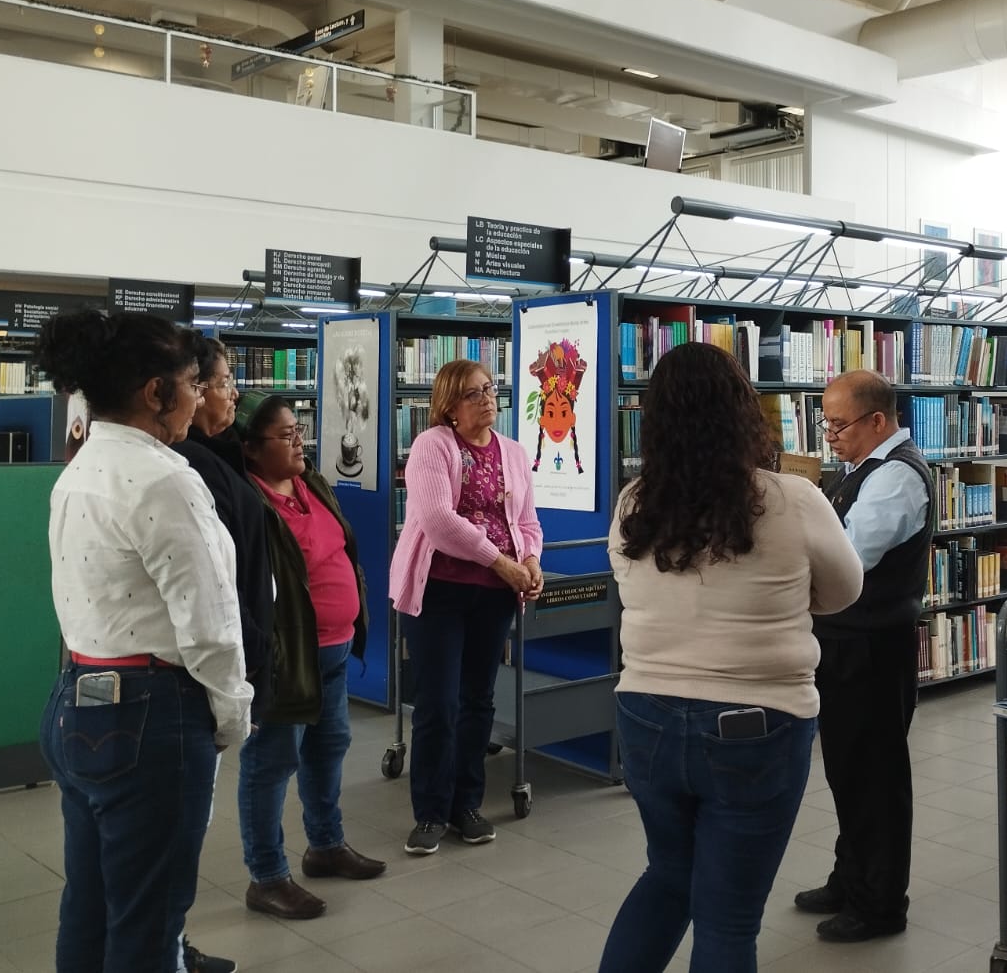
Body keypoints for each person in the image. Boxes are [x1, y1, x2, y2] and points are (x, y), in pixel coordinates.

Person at [599, 342, 864, 973]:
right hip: (757, 723)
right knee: (728, 919)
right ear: (744, 411)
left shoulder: (634, 503)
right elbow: (845, 591)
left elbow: (632, 588)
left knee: (667, 875)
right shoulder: (793, 500)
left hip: (646, 716)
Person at [37, 310, 252, 973]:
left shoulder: (78, 469)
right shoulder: (166, 480)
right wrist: (232, 713)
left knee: (91, 905)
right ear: (155, 392)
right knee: (149, 921)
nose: (199, 396)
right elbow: (209, 622)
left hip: (78, 698)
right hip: (152, 714)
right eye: (193, 383)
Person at [795, 368, 934, 943]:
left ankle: (879, 905)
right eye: (825, 423)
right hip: (847, 642)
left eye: (838, 425)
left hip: (872, 647)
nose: (830, 435)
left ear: (878, 421)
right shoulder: (861, 468)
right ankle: (850, 878)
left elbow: (847, 559)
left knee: (874, 774)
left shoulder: (897, 478)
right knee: (848, 768)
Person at [237, 391, 384, 920]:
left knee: (329, 746)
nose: (301, 441)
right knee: (273, 761)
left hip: (334, 648)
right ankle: (267, 876)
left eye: (300, 430)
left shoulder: (311, 483)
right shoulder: (247, 502)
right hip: (287, 656)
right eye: (287, 435)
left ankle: (325, 844)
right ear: (252, 448)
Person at [389, 358, 544, 856]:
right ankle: (430, 812)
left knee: (479, 699)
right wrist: (502, 562)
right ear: (450, 405)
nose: (487, 398)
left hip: (494, 594)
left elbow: (527, 521)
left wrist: (531, 560)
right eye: (474, 393)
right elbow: (438, 520)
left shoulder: (513, 452)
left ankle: (466, 805)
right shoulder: (432, 446)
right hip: (439, 591)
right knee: (439, 703)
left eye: (490, 389)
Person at [168, 336, 274, 973]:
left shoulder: (218, 455)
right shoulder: (188, 470)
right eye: (225, 381)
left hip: (232, 655)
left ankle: (171, 945)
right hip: (203, 675)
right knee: (171, 839)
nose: (235, 393)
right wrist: (252, 655)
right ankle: (167, 950)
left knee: (179, 839)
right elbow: (214, 585)